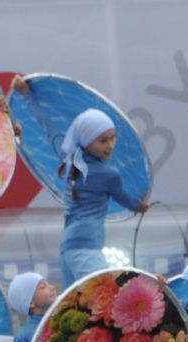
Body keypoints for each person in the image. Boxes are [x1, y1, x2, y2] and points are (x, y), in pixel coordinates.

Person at [57, 108, 149, 285]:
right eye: (103, 140)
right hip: (87, 246)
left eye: (113, 138)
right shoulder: (108, 175)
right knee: (104, 295)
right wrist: (141, 206)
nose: (111, 145)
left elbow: (49, 130)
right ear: (86, 142)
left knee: (74, 307)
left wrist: (27, 95)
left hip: (67, 246)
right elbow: (127, 200)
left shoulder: (69, 162)